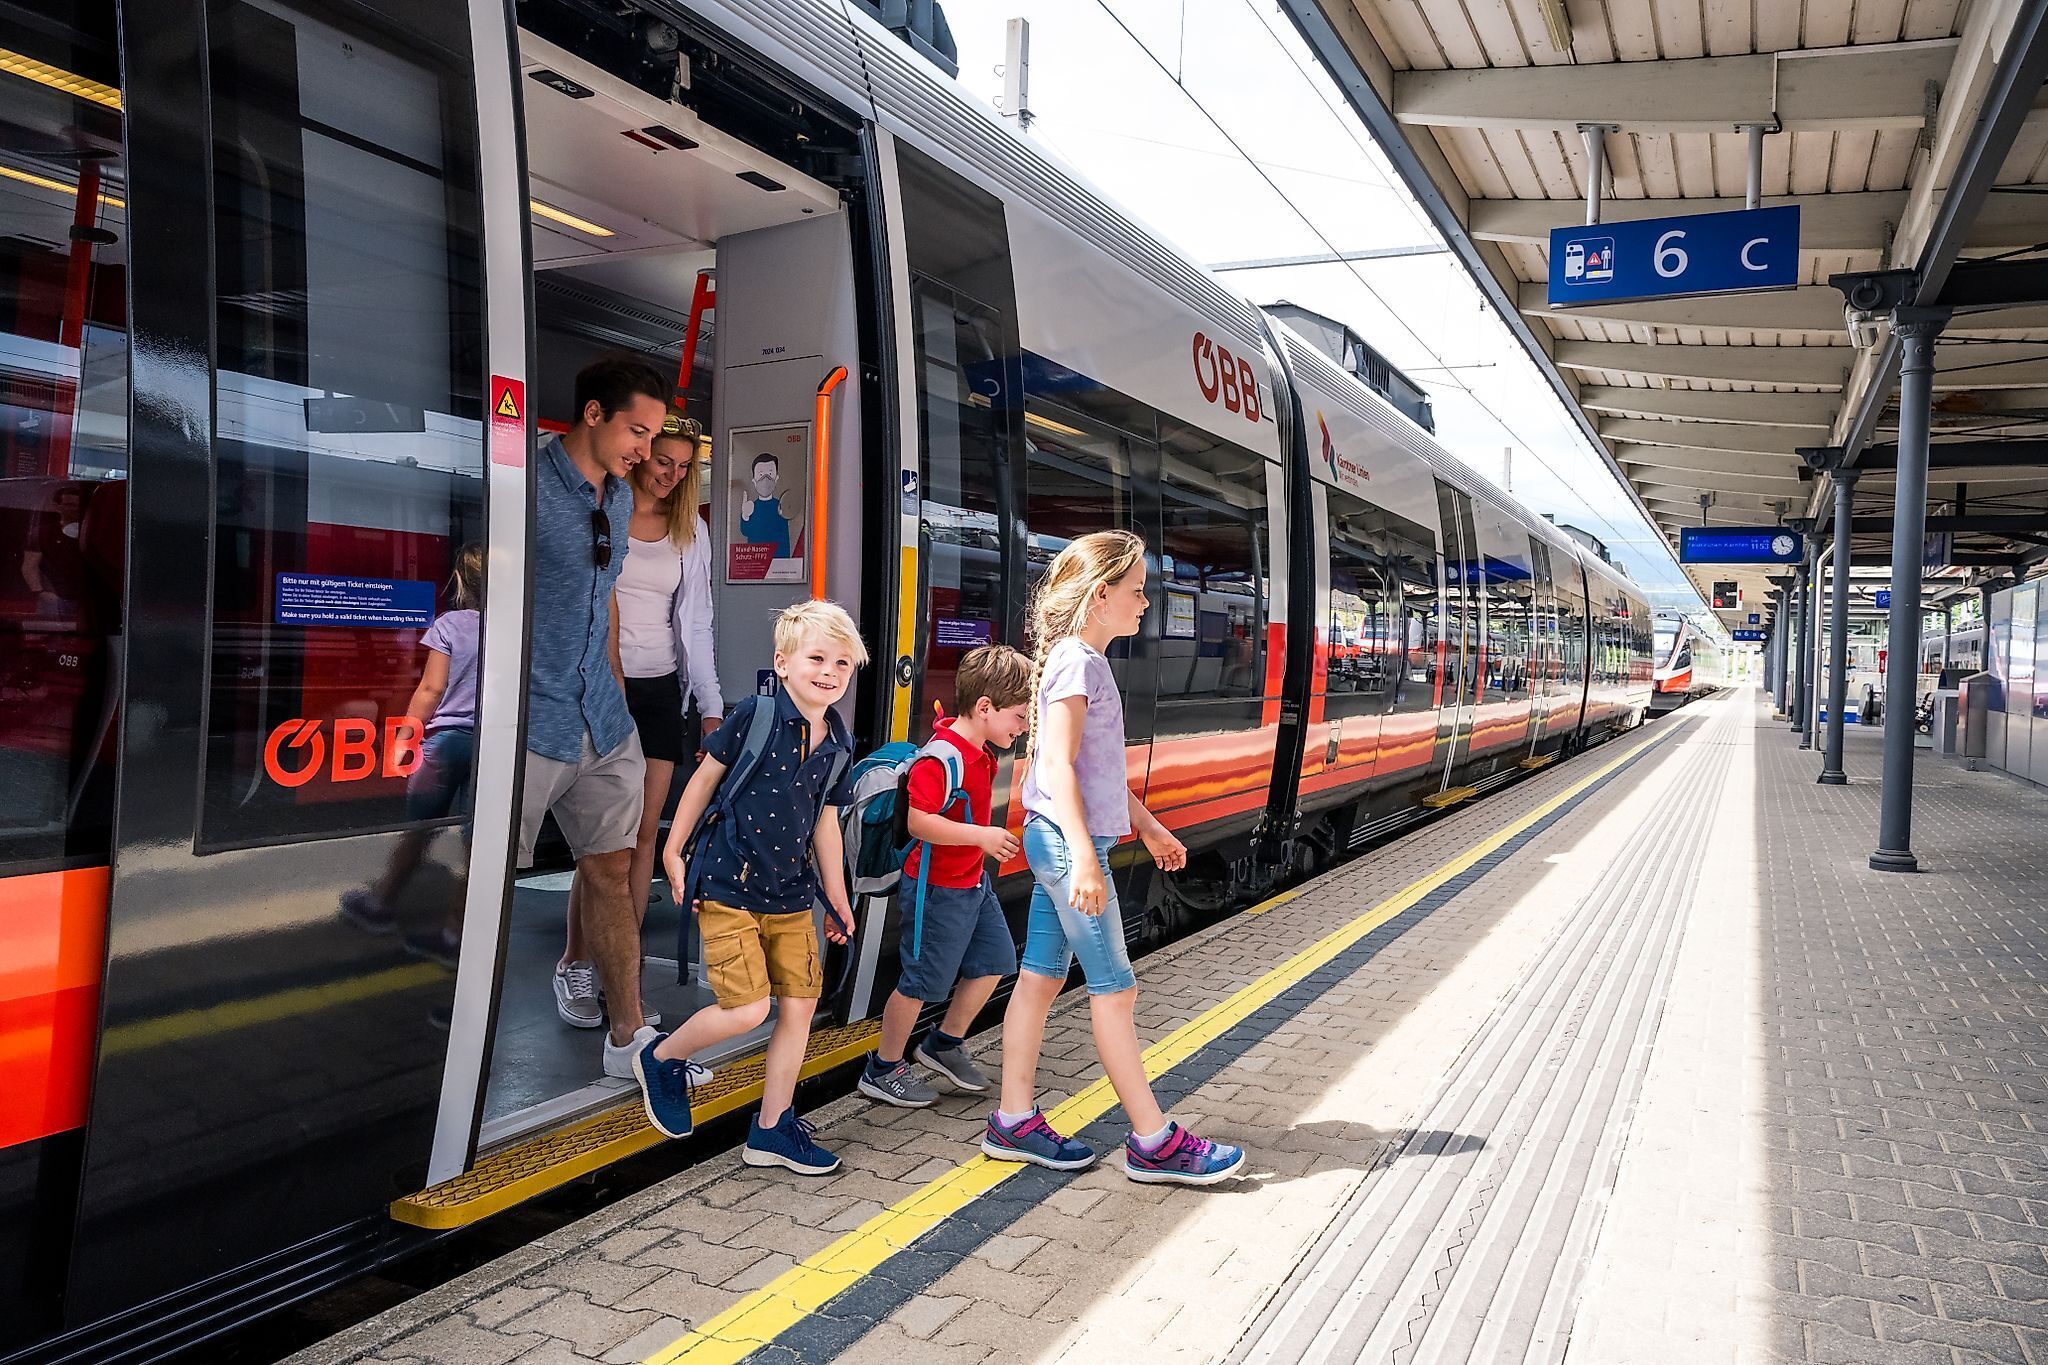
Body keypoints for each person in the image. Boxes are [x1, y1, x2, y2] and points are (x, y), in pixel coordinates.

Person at [983, 530, 1246, 1184]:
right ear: (1102, 595)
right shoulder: (1079, 663)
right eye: (1136, 590)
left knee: (1041, 977)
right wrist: (1085, 856)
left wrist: (1150, 828)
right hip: (1067, 842)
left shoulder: (1079, 660)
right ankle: (1153, 1141)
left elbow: (1097, 774)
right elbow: (1055, 764)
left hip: (1061, 835)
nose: (1146, 602)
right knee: (1116, 989)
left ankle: (1013, 1120)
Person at [636, 600, 864, 1173]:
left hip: (789, 892)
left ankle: (771, 1129)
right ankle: (662, 1059)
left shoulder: (838, 741)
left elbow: (825, 823)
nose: (830, 672)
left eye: (842, 663)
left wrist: (837, 898)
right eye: (817, 657)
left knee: (801, 1005)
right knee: (747, 1009)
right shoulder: (755, 716)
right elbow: (704, 779)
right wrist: (671, 845)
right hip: (728, 883)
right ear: (782, 663)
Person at [522, 353, 668, 1082]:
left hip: (602, 721)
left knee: (612, 871)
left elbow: (604, 597)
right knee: (481, 885)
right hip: (531, 719)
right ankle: (453, 1050)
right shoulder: (523, 485)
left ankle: (627, 1035)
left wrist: (615, 691)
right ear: (593, 415)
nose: (644, 450)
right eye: (636, 431)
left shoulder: (614, 497)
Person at [556, 411, 723, 1037]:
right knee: (606, 840)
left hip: (658, 693)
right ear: (642, 451)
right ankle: (575, 962)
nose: (672, 476)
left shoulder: (690, 531)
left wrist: (708, 704)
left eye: (685, 469)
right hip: (597, 685)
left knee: (644, 837)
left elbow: (697, 622)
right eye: (663, 461)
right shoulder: (600, 510)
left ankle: (617, 981)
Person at [858, 644, 1032, 1108]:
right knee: (921, 982)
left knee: (997, 961)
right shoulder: (942, 758)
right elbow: (918, 821)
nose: (1023, 726)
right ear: (984, 708)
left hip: (972, 884)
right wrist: (981, 837)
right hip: (936, 889)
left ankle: (944, 1043)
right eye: (1018, 716)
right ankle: (883, 1068)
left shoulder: (978, 749)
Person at [341, 543, 484, 956]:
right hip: (493, 745)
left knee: (420, 827)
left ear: (461, 580)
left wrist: (405, 738)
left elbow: (431, 689)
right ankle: (456, 933)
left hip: (446, 742)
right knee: (476, 844)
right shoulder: (515, 626)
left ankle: (381, 903)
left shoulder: (449, 625)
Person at [738, 453, 792, 559]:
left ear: (776, 478)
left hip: (777, 564)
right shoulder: (751, 507)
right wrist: (745, 516)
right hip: (756, 563)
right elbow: (745, 531)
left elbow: (784, 538)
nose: (765, 479)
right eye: (761, 474)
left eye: (770, 473)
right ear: (754, 480)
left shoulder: (780, 506)